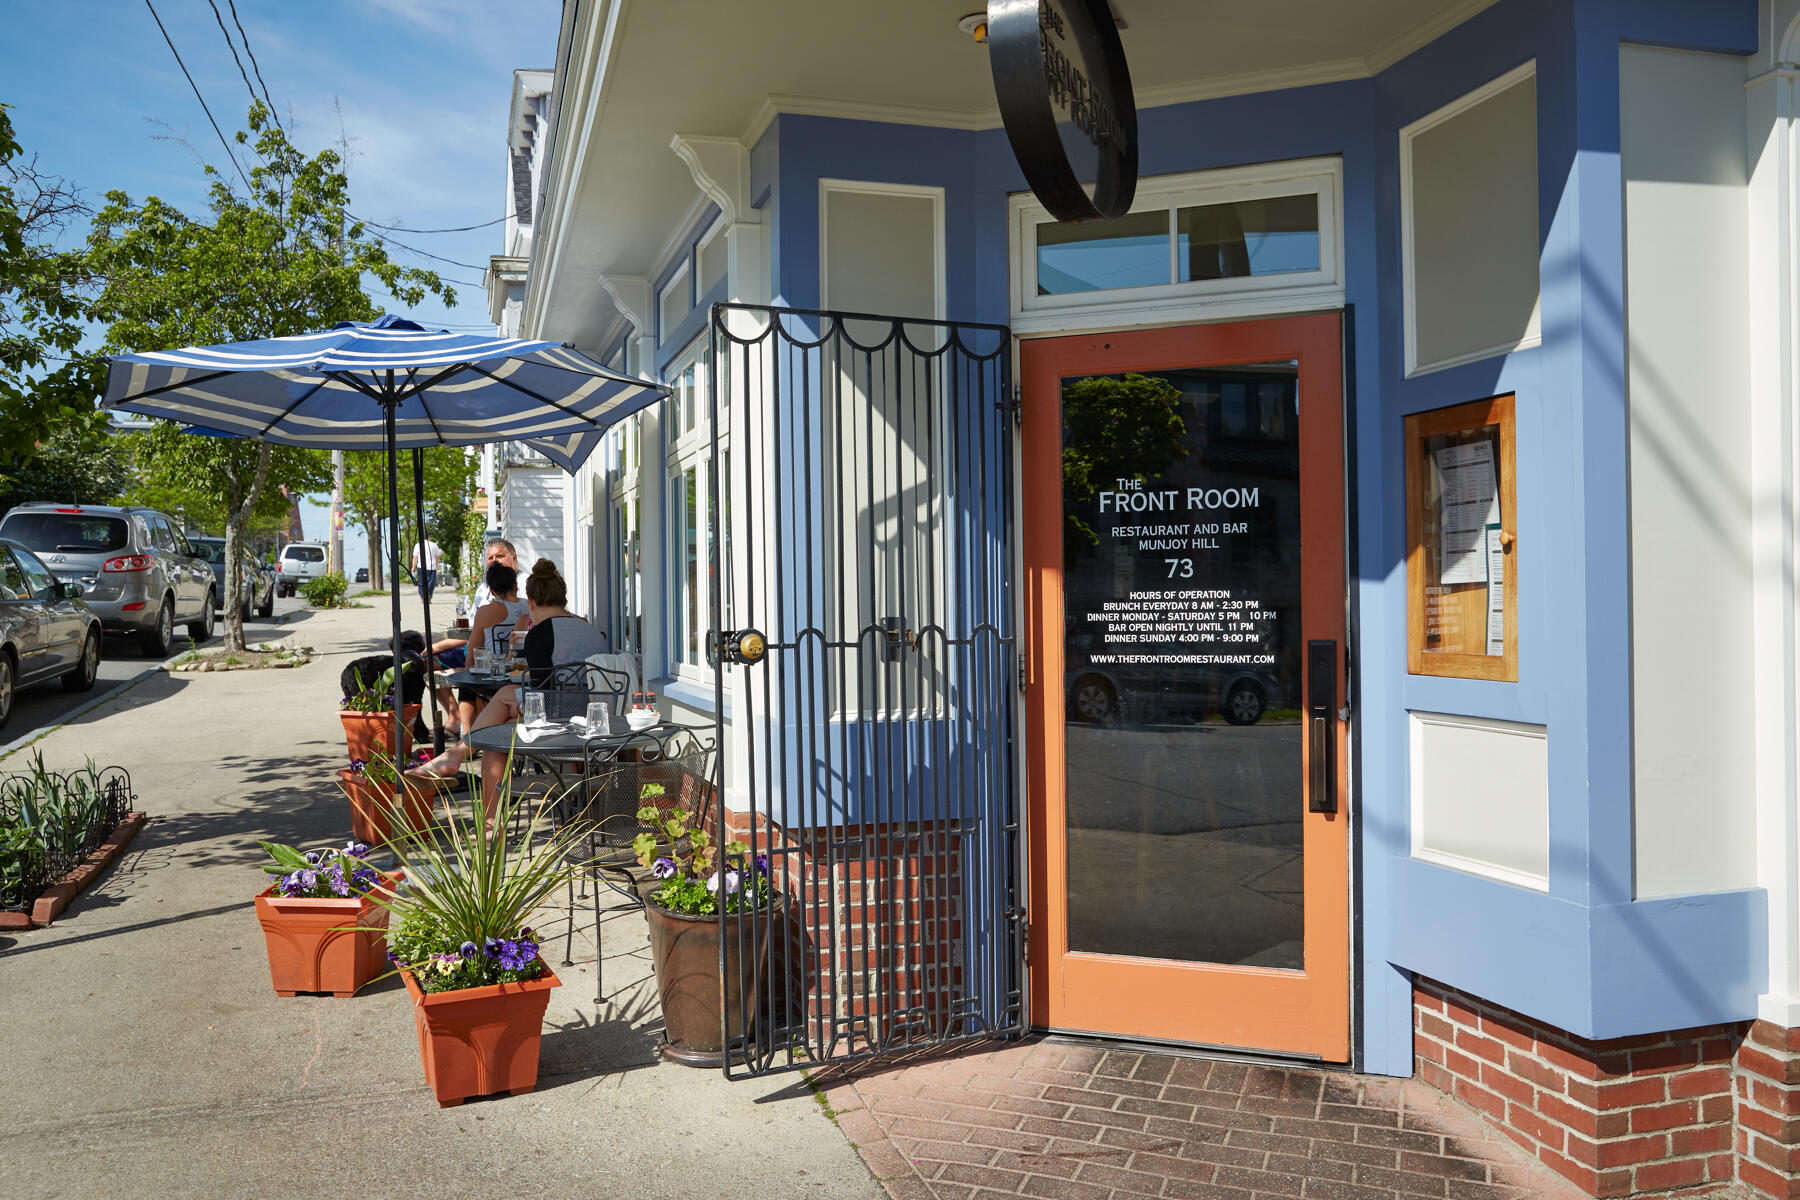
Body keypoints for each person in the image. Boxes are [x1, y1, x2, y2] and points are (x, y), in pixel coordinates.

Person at [408, 560, 604, 816]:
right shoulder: (591, 629)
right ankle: (455, 758)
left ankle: (487, 817)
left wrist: (520, 706)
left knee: (495, 734)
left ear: (531, 603)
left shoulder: (541, 633)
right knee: (503, 711)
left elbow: (540, 693)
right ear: (563, 599)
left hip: (562, 720)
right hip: (595, 717)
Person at [471, 538, 518, 610]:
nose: (494, 561)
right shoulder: (483, 588)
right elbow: (472, 619)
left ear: (514, 558)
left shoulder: (527, 584)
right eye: (490, 558)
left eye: (499, 556)